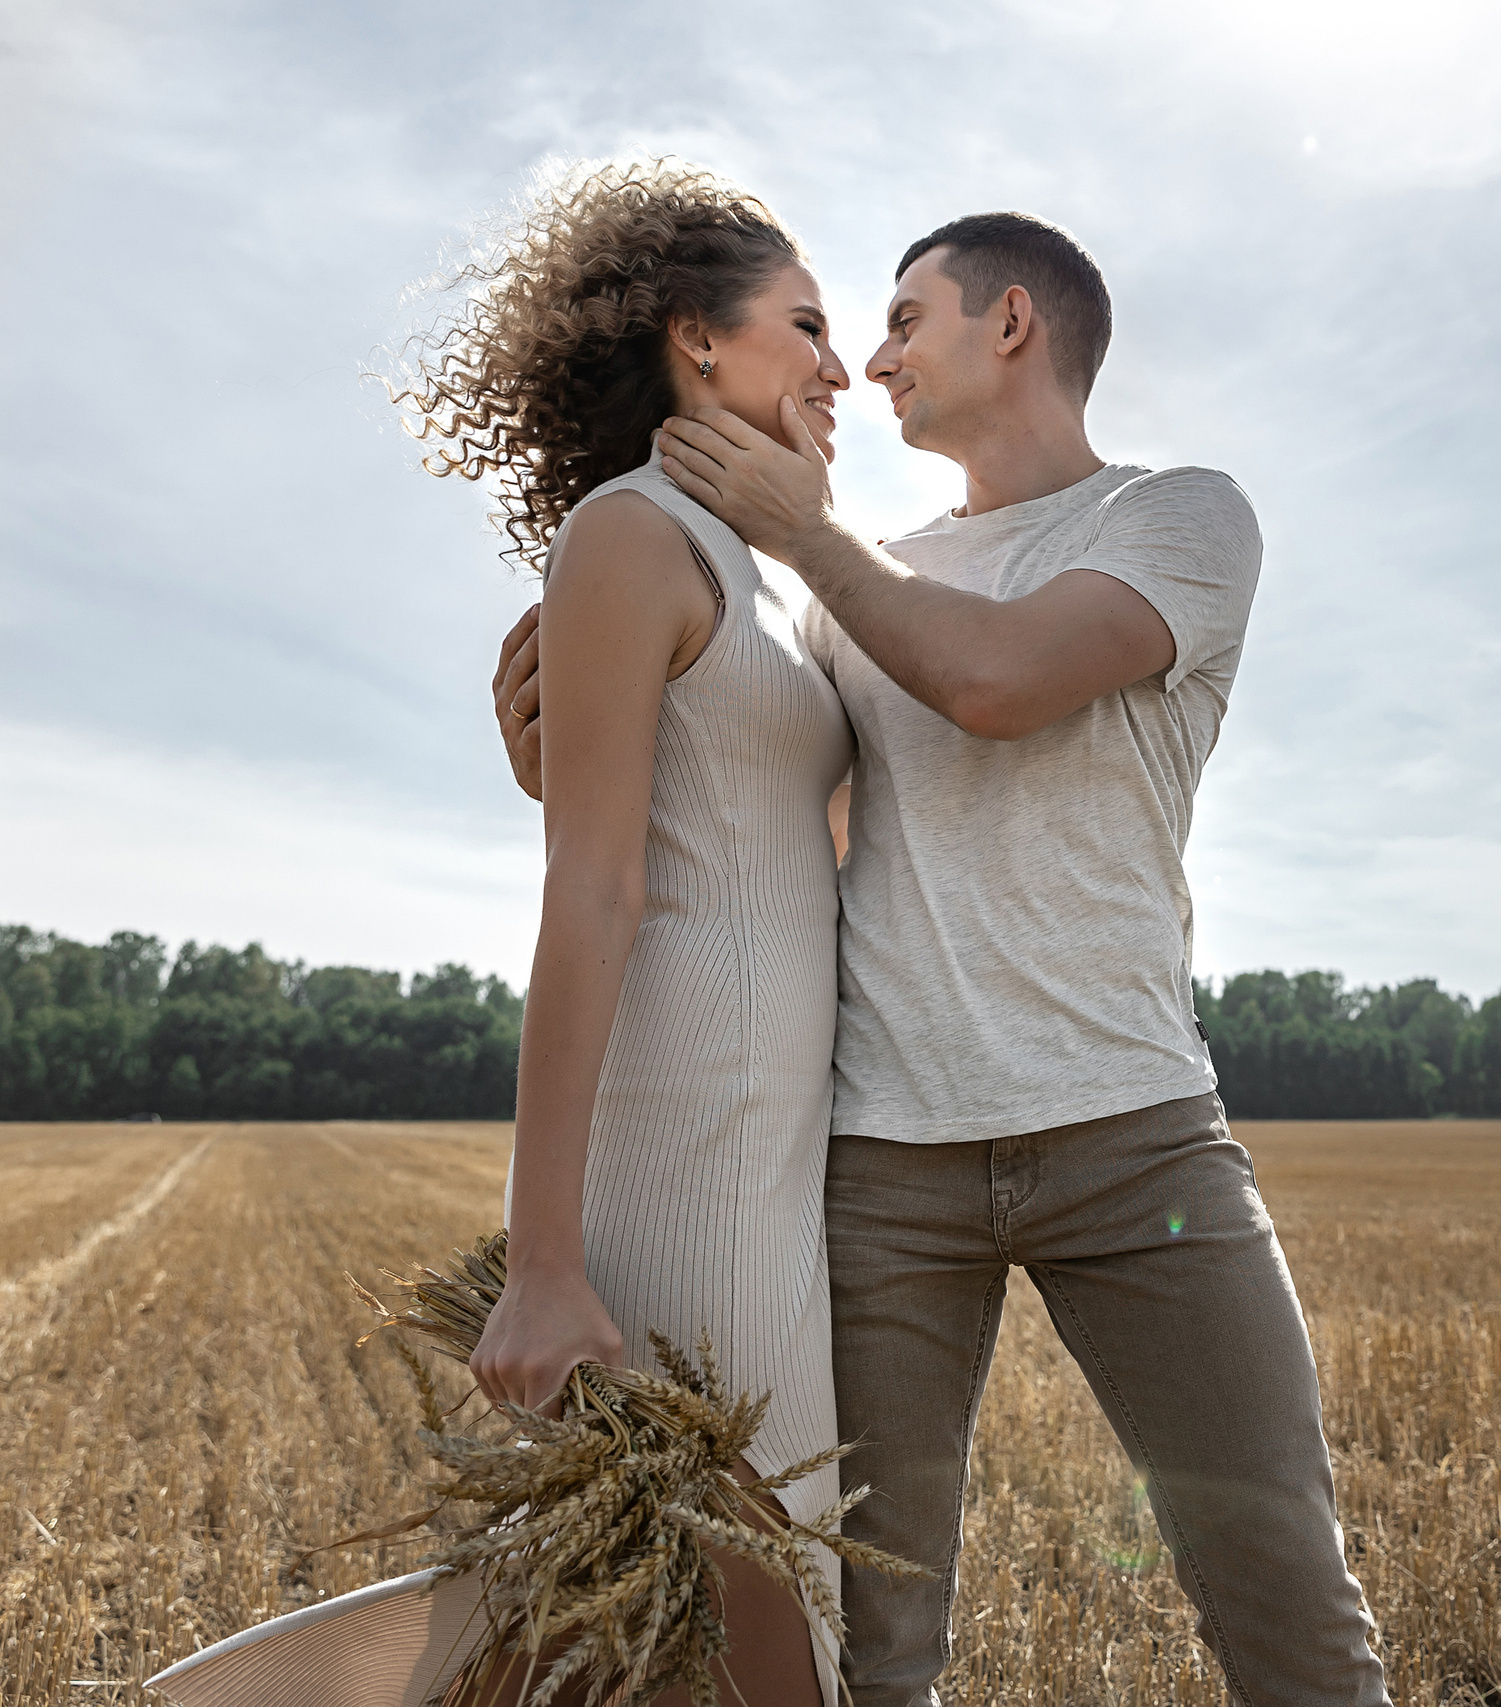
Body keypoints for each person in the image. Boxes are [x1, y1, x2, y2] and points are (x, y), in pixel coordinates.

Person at [496, 212, 1393, 1705]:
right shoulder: (855, 573)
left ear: (1015, 324)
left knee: (1290, 1611)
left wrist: (807, 537)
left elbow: (994, 681)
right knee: (875, 1648)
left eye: (908, 318)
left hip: (1132, 1139)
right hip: (885, 1165)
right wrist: (568, 745)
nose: (875, 358)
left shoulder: (1176, 518)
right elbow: (784, 826)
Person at [427, 158, 857, 1707]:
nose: (841, 365)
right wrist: (542, 1258)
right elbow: (589, 895)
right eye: (805, 325)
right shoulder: (629, 534)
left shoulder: (772, 576)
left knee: (746, 1630)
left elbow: (804, 859)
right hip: (677, 1157)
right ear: (695, 337)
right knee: (732, 1639)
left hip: (772, 1157)